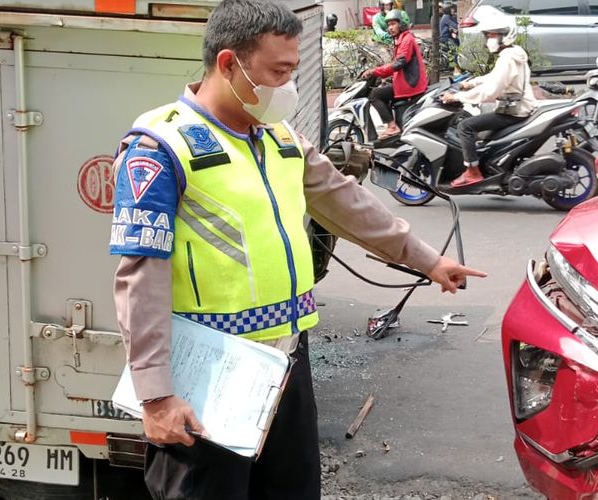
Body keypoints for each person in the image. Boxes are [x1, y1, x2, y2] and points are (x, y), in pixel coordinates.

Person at [109, 0, 487, 498]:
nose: (286, 86)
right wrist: (155, 395)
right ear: (229, 63)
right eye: (278, 71)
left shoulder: (280, 138)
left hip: (284, 364)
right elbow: (142, 273)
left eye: (293, 71)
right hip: (207, 375)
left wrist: (428, 259)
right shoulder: (162, 147)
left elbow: (347, 203)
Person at [440, 16, 535, 187]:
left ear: (504, 36)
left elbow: (490, 91)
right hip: (518, 107)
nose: (488, 40)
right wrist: (470, 83)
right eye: (487, 36)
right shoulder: (514, 53)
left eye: (491, 36)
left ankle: (473, 172)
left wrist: (457, 96)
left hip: (512, 112)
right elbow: (494, 78)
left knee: (465, 126)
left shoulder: (507, 59)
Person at [363, 9, 428, 139]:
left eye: (393, 24)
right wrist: (385, 77)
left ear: (402, 24)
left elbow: (399, 63)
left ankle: (392, 126)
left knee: (375, 95)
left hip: (410, 85)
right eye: (389, 25)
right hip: (406, 82)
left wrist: (375, 71)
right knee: (382, 90)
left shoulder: (407, 40)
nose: (390, 28)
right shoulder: (402, 39)